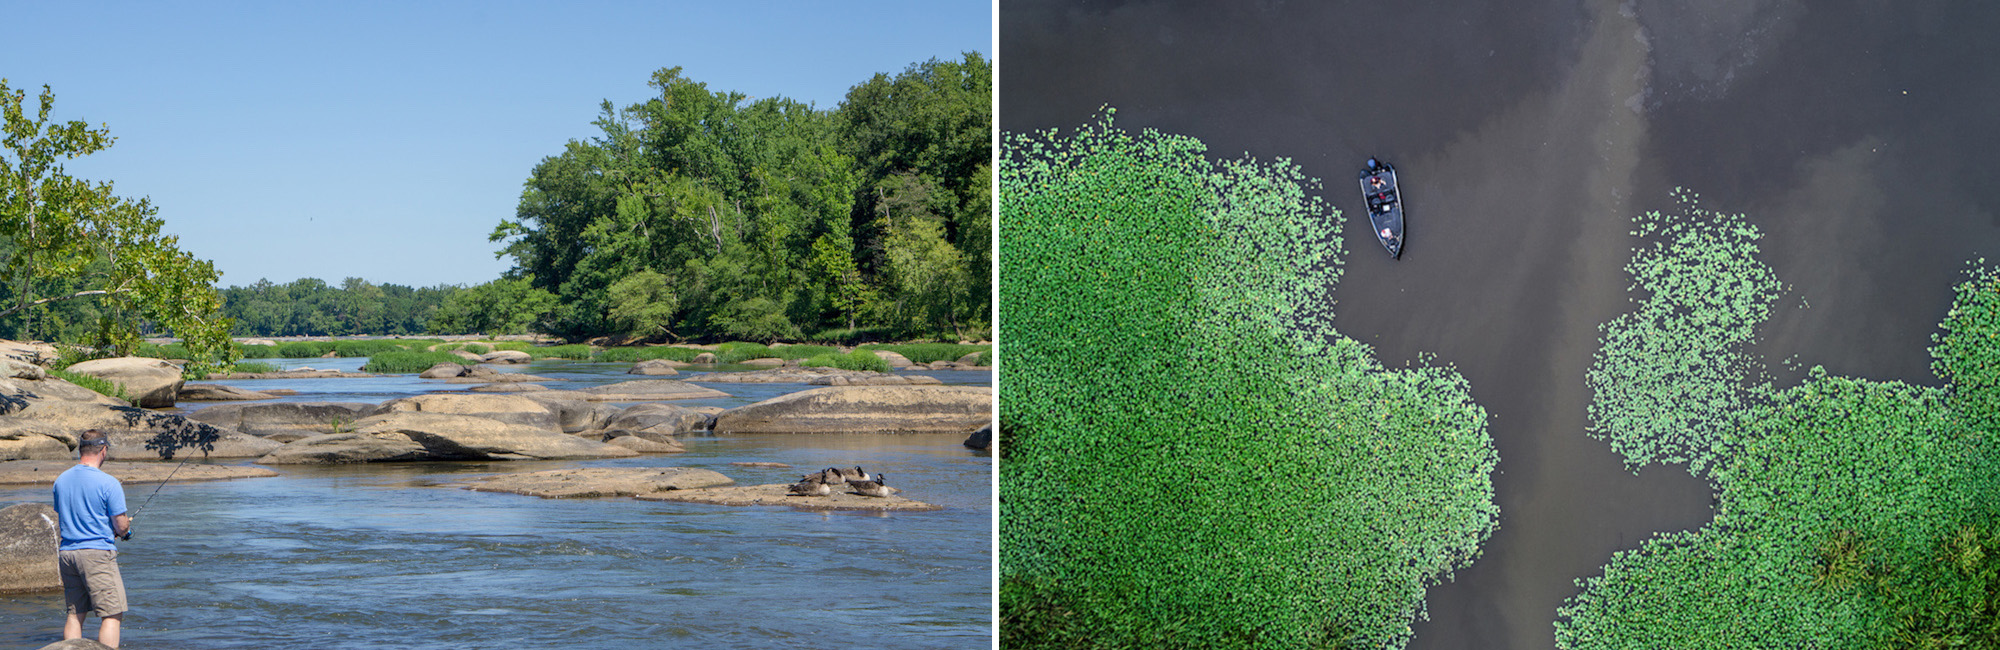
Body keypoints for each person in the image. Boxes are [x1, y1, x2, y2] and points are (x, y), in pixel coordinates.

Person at [52, 429, 131, 648]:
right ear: (103, 450)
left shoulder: (61, 480)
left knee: (75, 613)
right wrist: (125, 531)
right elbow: (121, 525)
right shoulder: (109, 483)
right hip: (96, 554)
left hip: (67, 553)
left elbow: (68, 514)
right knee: (112, 614)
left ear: (81, 449)